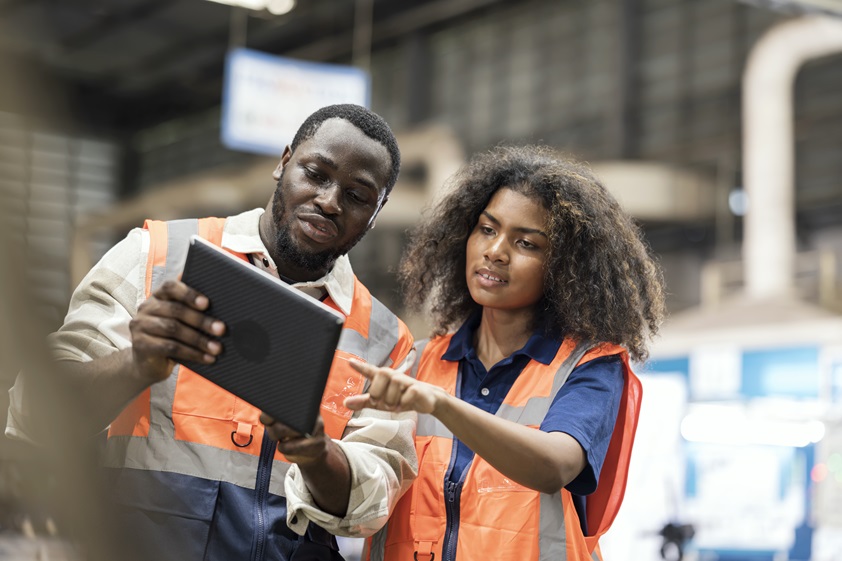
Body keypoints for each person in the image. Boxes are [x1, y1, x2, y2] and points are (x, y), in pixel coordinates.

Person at [5, 104, 418, 561]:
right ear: (283, 163)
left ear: (376, 214)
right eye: (316, 173)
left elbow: (372, 505)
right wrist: (136, 362)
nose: (329, 201)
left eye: (358, 196)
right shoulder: (157, 258)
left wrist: (318, 454)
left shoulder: (385, 340)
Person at [345, 145, 666, 561]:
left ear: (564, 267)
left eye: (527, 243)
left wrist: (440, 404)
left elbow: (554, 467)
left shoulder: (589, 368)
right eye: (487, 229)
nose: (496, 251)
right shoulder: (417, 361)